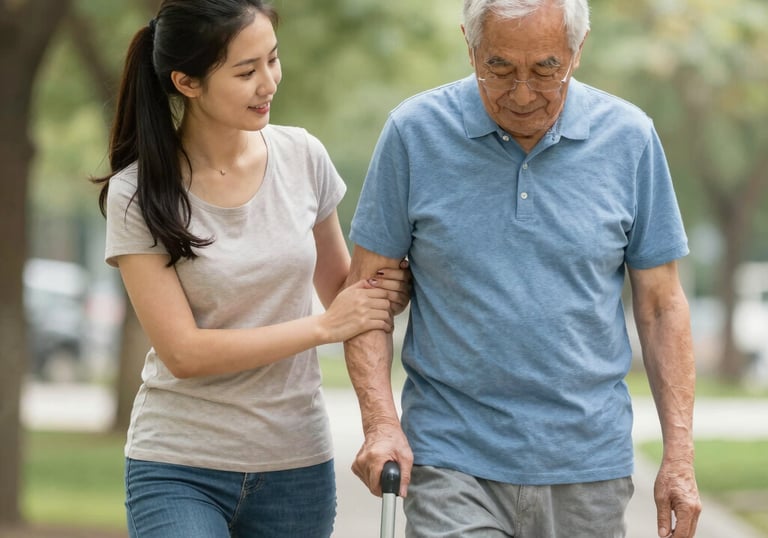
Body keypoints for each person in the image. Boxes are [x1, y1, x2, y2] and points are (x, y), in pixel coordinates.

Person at [343, 0, 702, 537]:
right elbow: (367, 295)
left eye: (545, 69)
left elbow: (661, 306)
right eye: (499, 68)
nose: (522, 93)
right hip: (452, 458)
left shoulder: (629, 138)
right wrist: (380, 424)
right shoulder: (413, 134)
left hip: (587, 467)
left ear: (578, 52)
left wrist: (679, 457)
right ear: (469, 45)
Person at [93, 1, 410, 537]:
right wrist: (324, 327)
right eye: (246, 71)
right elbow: (184, 352)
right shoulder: (139, 191)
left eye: (272, 60)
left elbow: (341, 290)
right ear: (186, 82)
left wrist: (389, 284)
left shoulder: (302, 157)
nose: (269, 83)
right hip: (179, 466)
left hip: (295, 466)